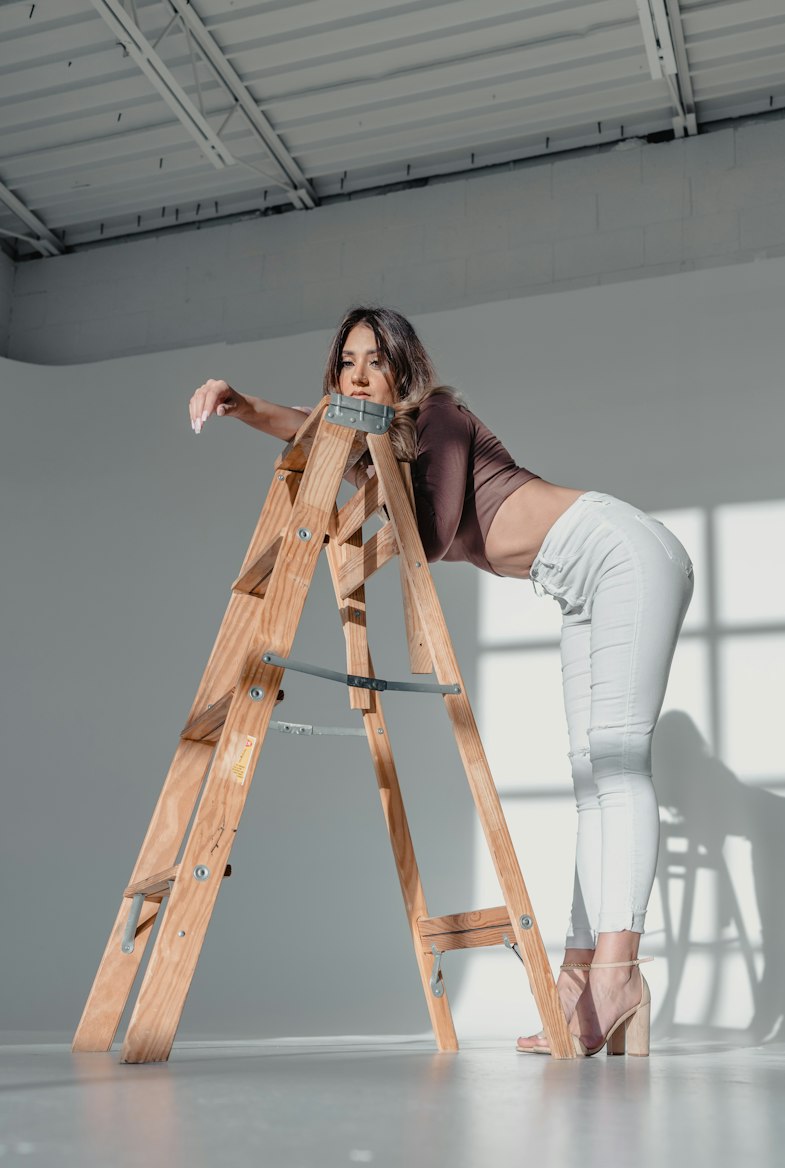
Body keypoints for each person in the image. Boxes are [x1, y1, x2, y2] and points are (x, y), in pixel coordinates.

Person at [187, 306, 693, 1056]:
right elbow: (309, 426)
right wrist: (239, 403)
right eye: (346, 362)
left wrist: (346, 492)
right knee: (591, 777)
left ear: (402, 369)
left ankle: (620, 976)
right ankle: (582, 976)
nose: (359, 374)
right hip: (577, 582)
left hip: (620, 553)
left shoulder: (437, 417)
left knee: (617, 762)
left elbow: (427, 533)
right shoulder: (385, 448)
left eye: (374, 360)